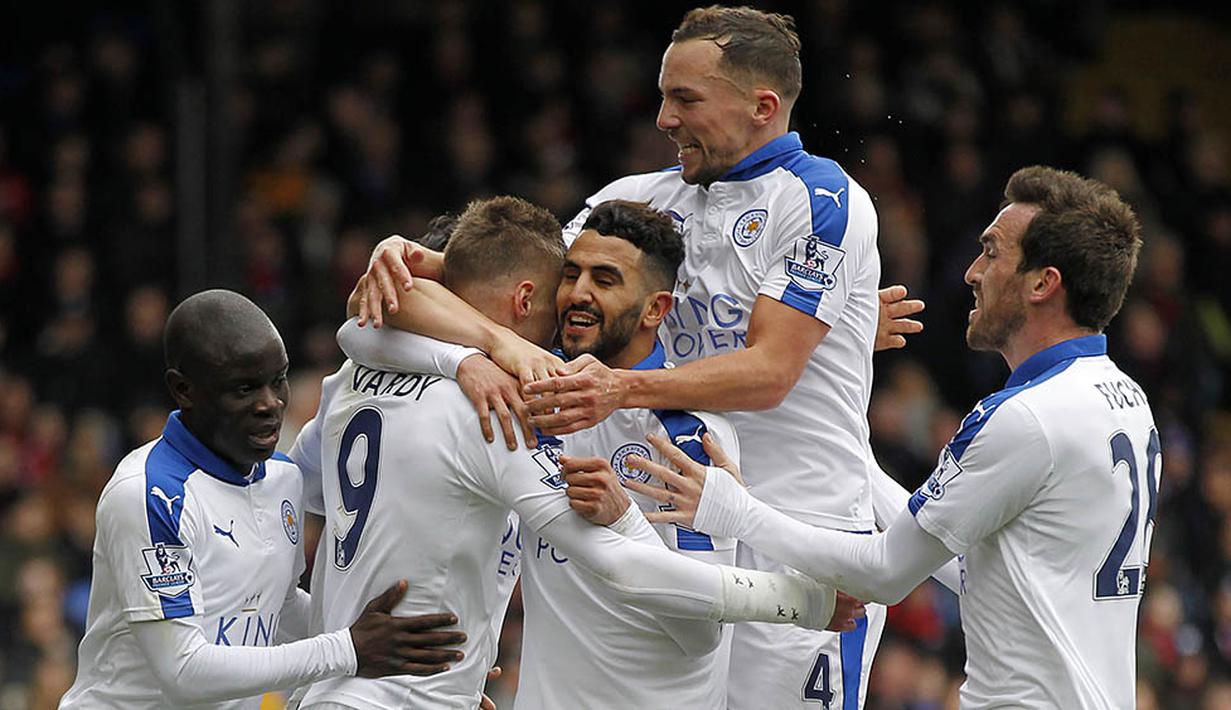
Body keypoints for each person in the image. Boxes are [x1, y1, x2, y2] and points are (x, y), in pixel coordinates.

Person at [355, 7, 941, 708]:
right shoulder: (631, 203)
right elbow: (463, 292)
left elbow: (769, 374)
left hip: (793, 532)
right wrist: (448, 309)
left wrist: (620, 389)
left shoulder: (823, 201)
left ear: (761, 107)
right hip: (654, 513)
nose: (664, 118)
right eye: (664, 96)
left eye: (685, 99)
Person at [289, 197, 857, 709]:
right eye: (569, 275)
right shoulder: (515, 399)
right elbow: (371, 312)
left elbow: (701, 635)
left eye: (604, 279)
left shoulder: (686, 437)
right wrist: (467, 355)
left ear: (655, 308)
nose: (577, 294)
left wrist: (625, 518)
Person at [632, 166, 1156, 709]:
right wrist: (830, 378)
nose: (973, 272)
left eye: (991, 253)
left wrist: (734, 511)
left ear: (1043, 283)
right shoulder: (1124, 400)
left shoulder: (1024, 419)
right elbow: (981, 568)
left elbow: (885, 571)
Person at [59, 290, 469, 709]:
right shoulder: (150, 495)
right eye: (244, 388)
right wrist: (349, 649)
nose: (270, 404)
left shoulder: (284, 478)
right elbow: (183, 670)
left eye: (278, 380)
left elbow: (281, 608)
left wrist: (418, 668)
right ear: (183, 389)